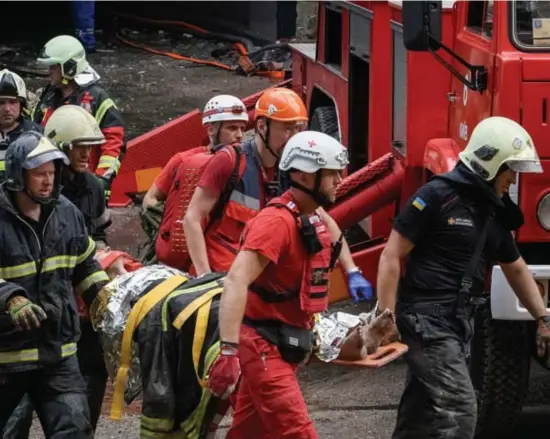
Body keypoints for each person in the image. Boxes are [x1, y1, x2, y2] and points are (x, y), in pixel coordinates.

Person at [374, 116, 550, 439]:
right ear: (489, 163)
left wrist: (542, 317)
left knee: (420, 414)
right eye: (509, 168)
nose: (513, 178)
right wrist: (386, 319)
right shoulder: (436, 196)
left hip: (457, 323)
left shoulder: (492, 214)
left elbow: (517, 268)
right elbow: (391, 255)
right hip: (425, 321)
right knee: (459, 411)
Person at [207, 130, 350, 438]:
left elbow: (334, 239)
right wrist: (228, 352)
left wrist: (353, 273)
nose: (340, 179)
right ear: (303, 176)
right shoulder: (276, 223)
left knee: (248, 431)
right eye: (332, 173)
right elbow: (235, 281)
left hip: (284, 343)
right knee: (298, 433)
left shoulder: (309, 217)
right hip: (263, 347)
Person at [3, 105, 112, 438]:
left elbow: (86, 265)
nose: (48, 179)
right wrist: (10, 299)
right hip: (7, 358)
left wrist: (104, 297)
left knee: (75, 430)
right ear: (18, 174)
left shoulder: (67, 214)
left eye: (52, 171)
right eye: (39, 173)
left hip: (58, 355)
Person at [31, 35, 126, 202]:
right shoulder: (49, 97)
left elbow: (114, 145)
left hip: (84, 188)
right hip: (52, 185)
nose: (49, 72)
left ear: (69, 67)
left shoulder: (96, 99)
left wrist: (101, 182)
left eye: (53, 67)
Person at [142, 94, 249, 211]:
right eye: (232, 128)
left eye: (242, 129)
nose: (239, 135)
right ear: (211, 130)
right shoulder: (183, 160)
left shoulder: (248, 164)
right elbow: (150, 199)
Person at [0, 69, 43, 178]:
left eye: (13, 102)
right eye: (1, 103)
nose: (7, 109)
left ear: (22, 105)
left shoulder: (36, 135)